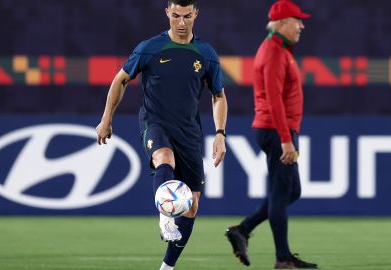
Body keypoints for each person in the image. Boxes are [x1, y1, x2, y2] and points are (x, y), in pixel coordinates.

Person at [96, 0, 228, 269]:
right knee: (164, 157)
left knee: (191, 206)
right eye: (176, 15)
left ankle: (167, 266)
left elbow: (218, 96)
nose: (181, 23)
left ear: (196, 15)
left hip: (189, 132)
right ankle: (165, 215)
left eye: (187, 16)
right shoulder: (150, 48)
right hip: (155, 122)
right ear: (167, 12)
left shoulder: (206, 53)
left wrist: (220, 133)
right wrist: (106, 118)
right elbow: (120, 79)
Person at [225, 0, 318, 269]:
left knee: (292, 190)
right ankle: (283, 258)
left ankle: (242, 230)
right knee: (280, 194)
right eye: (297, 21)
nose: (301, 25)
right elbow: (275, 100)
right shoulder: (275, 52)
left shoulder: (279, 49)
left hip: (276, 128)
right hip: (277, 129)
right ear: (281, 23)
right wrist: (286, 139)